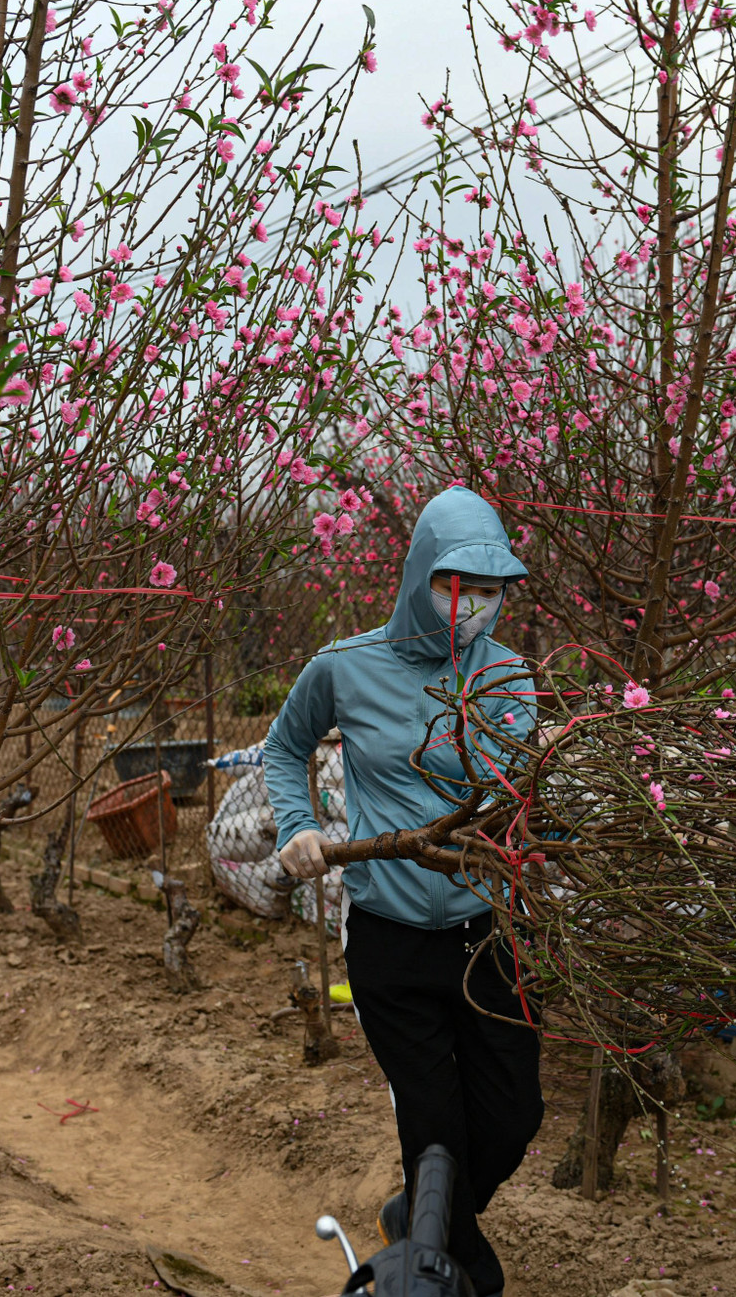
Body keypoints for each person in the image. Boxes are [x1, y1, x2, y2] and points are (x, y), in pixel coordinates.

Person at [264, 486, 543, 1297]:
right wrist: (297, 826)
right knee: (434, 1129)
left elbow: (519, 792)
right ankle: (458, 1273)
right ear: (420, 574)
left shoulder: (509, 676)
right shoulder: (345, 667)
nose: (472, 607)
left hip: (488, 932)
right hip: (389, 936)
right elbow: (284, 747)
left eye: (489, 591)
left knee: (514, 1113)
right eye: (456, 586)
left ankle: (417, 1220)